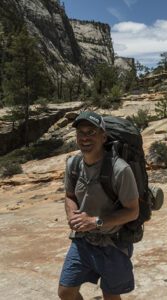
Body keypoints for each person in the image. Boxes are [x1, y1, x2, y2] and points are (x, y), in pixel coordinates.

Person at [58, 111, 139, 300]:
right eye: (81, 133)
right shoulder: (74, 164)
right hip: (83, 241)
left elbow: (132, 211)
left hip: (113, 243)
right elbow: (69, 196)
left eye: (91, 132)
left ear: (103, 137)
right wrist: (71, 215)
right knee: (66, 292)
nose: (85, 138)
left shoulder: (120, 170)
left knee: (110, 295)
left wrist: (96, 221)